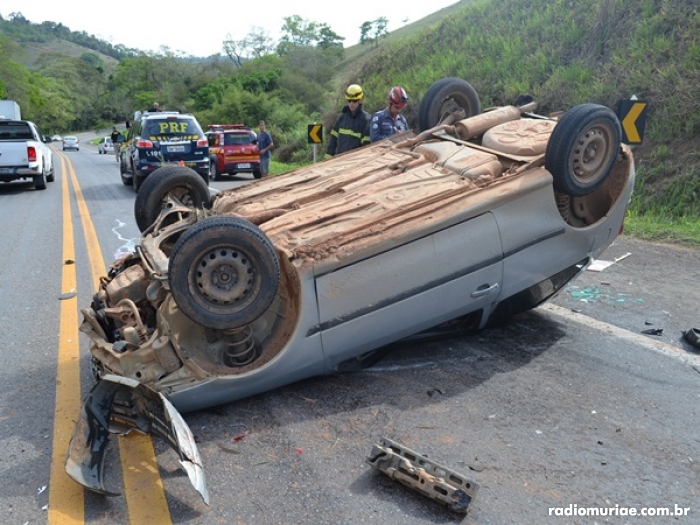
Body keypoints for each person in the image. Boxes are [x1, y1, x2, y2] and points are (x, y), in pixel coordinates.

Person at [327, 84, 371, 156]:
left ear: (360, 100)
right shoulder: (342, 118)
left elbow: (366, 147)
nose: (351, 104)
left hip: (354, 162)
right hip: (339, 160)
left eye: (354, 101)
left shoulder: (366, 119)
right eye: (349, 101)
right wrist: (327, 160)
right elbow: (333, 141)